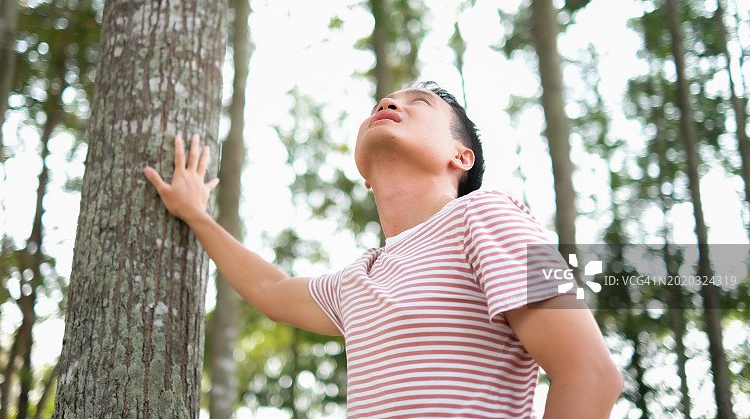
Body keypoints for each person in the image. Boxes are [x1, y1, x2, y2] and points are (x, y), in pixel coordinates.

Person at [143, 82, 623, 418]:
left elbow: (591, 375)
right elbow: (269, 289)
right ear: (365, 176)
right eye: (385, 101)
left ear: (461, 157)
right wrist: (196, 215)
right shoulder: (360, 278)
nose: (390, 102)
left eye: (420, 102)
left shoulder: (491, 213)